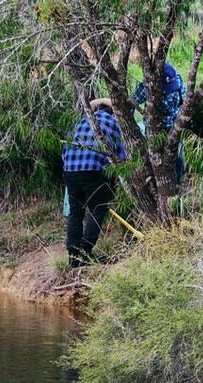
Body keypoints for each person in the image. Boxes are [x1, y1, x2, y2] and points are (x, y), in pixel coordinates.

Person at [61, 98, 128, 267]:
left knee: (76, 212)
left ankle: (73, 257)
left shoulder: (79, 122)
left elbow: (64, 150)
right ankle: (85, 252)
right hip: (93, 171)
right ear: (112, 111)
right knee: (98, 209)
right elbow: (120, 155)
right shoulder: (112, 123)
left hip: (70, 171)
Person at [132, 62, 188, 184]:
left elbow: (184, 104)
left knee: (177, 159)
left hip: (174, 129)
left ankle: (176, 185)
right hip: (154, 131)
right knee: (153, 160)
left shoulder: (178, 82)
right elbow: (131, 103)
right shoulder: (146, 86)